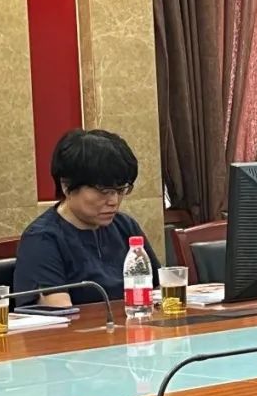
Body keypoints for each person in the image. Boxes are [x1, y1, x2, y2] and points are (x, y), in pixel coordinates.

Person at [13, 129, 160, 306]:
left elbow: (158, 290)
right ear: (66, 186)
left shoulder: (125, 226)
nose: (114, 201)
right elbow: (60, 312)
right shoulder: (42, 239)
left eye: (120, 190)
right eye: (103, 191)